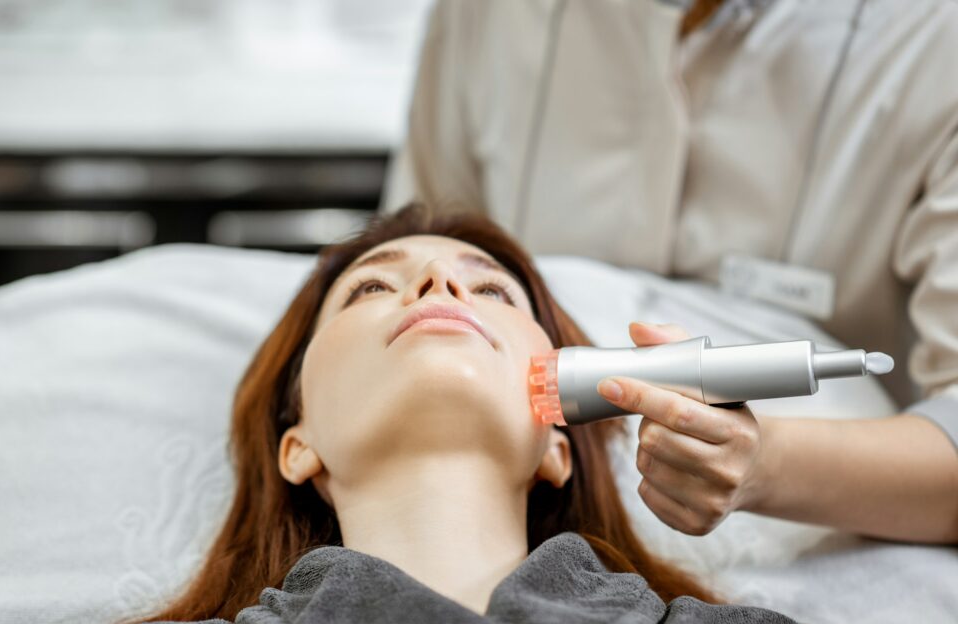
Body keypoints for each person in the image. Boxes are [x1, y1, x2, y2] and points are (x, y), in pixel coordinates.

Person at [0, 206, 917, 624]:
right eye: (368, 290)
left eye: (493, 293)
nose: (438, 279)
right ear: (298, 443)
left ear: (561, 437)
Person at [382, 0, 958, 543]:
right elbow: (419, 242)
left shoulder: (933, 42)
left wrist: (763, 465)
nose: (438, 286)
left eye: (484, 285)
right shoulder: (484, 18)